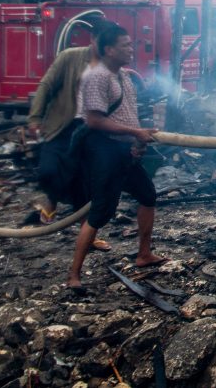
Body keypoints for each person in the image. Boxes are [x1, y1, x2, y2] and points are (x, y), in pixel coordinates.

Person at [65, 24, 165, 293]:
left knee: (147, 195)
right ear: (109, 49)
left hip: (123, 148)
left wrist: (136, 141)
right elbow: (95, 120)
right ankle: (74, 274)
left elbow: (128, 115)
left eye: (131, 44)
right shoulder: (96, 77)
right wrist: (135, 132)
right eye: (125, 45)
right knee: (101, 211)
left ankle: (144, 253)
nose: (131, 49)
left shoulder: (124, 77)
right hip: (103, 149)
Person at [27, 18, 112, 247]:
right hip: (64, 125)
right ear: (93, 40)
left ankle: (89, 236)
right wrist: (35, 117)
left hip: (92, 129)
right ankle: (52, 200)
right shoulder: (70, 57)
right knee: (49, 171)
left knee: (86, 183)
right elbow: (46, 85)